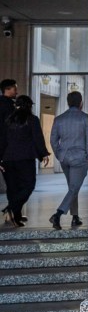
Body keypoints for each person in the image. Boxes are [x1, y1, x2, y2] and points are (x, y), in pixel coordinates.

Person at [0, 95, 50, 226]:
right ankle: (11, 209)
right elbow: (38, 138)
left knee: (13, 188)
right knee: (29, 185)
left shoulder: (8, 120)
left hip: (8, 159)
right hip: (25, 158)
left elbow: (2, 141)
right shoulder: (32, 119)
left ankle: (15, 217)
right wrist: (44, 154)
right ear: (29, 106)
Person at [48, 91, 88, 230]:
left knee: (73, 188)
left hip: (64, 158)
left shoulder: (59, 119)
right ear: (81, 103)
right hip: (80, 158)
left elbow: (53, 140)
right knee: (74, 188)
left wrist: (59, 155)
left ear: (67, 102)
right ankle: (58, 214)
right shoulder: (86, 118)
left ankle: (75, 217)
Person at [0, 79, 18, 222]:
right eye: (14, 89)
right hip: (7, 152)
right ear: (8, 89)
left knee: (12, 184)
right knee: (13, 184)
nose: (16, 91)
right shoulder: (7, 107)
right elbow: (7, 131)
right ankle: (12, 210)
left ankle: (13, 210)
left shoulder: (7, 105)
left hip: (5, 151)